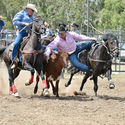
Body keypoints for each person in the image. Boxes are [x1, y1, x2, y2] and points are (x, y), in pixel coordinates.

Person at [11, 3, 37, 69]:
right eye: (32, 10)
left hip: (30, 34)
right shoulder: (21, 14)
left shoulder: (32, 16)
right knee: (16, 44)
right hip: (22, 33)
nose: (33, 12)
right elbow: (14, 22)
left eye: (33, 11)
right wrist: (24, 23)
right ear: (28, 9)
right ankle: (14, 61)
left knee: (38, 44)